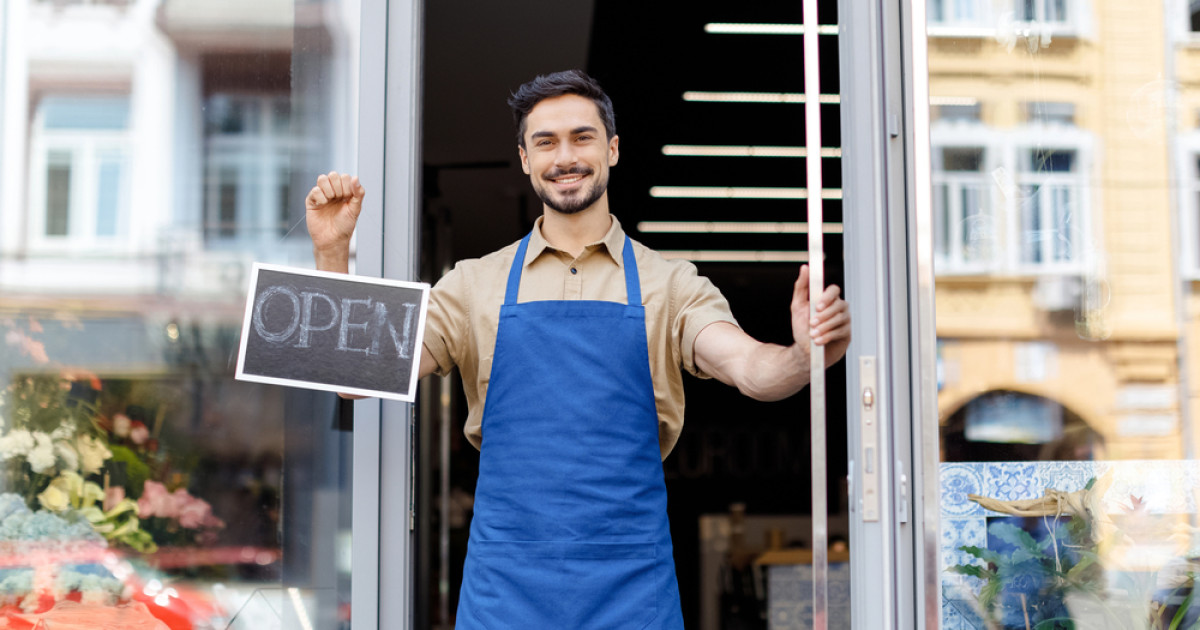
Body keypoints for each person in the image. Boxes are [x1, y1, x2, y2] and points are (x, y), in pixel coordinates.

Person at [305, 69, 850, 629]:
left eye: (582, 137)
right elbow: (354, 374)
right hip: (506, 588)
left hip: (631, 587)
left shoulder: (670, 284)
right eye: (546, 142)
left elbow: (752, 371)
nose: (565, 157)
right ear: (525, 159)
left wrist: (802, 355)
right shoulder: (471, 285)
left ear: (612, 149)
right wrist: (332, 252)